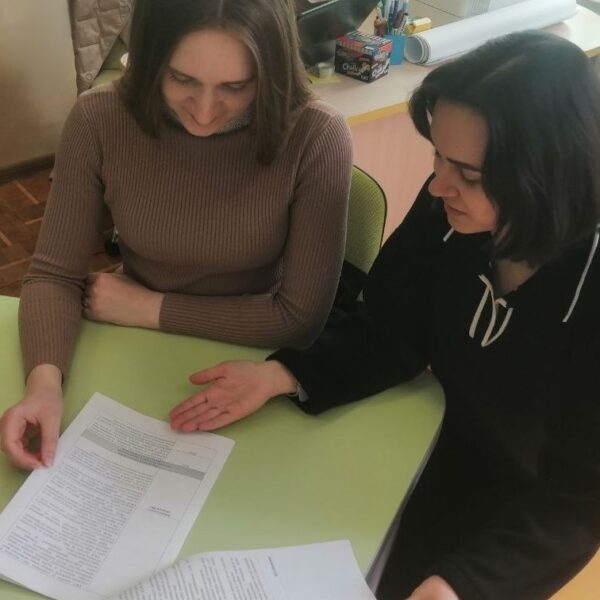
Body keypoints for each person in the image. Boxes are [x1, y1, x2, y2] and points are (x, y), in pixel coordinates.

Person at [167, 31, 600, 600]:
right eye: (437, 156)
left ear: (547, 174)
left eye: (469, 175)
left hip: (517, 514)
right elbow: (392, 326)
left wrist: (462, 586)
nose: (438, 185)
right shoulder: (449, 209)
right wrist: (285, 373)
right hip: (423, 442)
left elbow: (579, 499)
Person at [0, 0, 353, 470]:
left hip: (255, 361)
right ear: (149, 60)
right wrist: (43, 386)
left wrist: (149, 308)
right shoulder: (99, 118)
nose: (204, 113)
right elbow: (53, 275)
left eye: (235, 87)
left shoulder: (317, 135)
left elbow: (298, 319)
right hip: (133, 346)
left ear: (271, 72)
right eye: (181, 79)